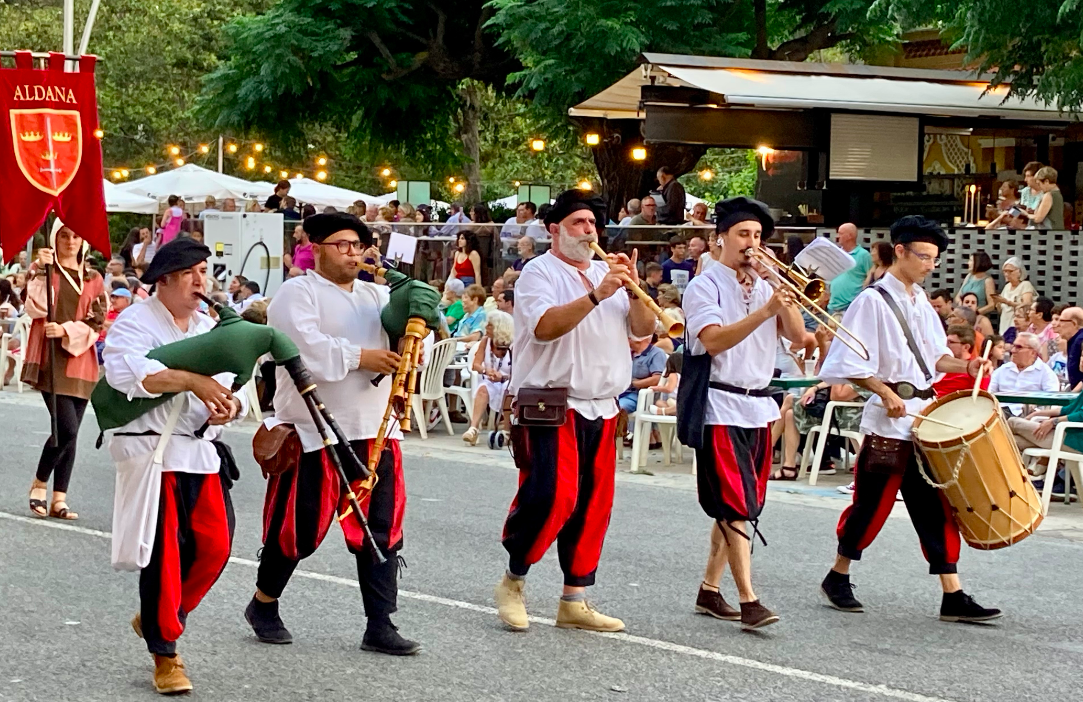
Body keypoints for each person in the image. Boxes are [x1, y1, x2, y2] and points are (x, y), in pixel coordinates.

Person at [244, 213, 419, 656]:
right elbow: (304, 352)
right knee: (297, 528)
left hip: (376, 429)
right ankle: (264, 603)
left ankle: (380, 624)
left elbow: (410, 330)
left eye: (358, 245)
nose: (352, 253)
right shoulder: (296, 292)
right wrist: (364, 357)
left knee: (381, 530)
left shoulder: (378, 294)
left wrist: (412, 308)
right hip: (312, 429)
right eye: (342, 245)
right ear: (316, 249)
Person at [817, 215, 1000, 623]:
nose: (929, 265)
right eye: (923, 256)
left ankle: (952, 592)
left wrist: (966, 367)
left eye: (935, 258)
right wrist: (883, 392)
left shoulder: (921, 301)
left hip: (923, 417)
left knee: (934, 503)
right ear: (899, 251)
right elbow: (849, 361)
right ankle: (838, 574)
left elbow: (936, 358)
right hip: (887, 417)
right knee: (872, 502)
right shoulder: (871, 301)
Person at [494, 189, 654, 634]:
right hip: (552, 402)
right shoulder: (537, 273)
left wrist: (636, 291)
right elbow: (545, 328)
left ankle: (575, 599)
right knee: (552, 496)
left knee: (593, 504)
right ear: (554, 230)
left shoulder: (609, 272)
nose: (589, 232)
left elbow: (642, 333)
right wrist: (598, 295)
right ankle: (514, 580)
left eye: (592, 224)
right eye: (579, 223)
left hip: (603, 404)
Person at [102, 238, 248, 693]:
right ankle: (166, 655)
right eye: (189, 272)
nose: (200, 281)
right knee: (163, 557)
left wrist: (230, 407)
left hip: (200, 450)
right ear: (163, 279)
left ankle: (159, 618)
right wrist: (192, 379)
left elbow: (238, 385)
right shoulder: (136, 321)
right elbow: (127, 373)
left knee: (215, 548)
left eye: (204, 271)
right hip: (153, 452)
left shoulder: (209, 325)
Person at [681, 196, 805, 630]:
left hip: (758, 406)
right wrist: (766, 311)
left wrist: (783, 299)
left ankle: (709, 590)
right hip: (719, 404)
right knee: (736, 505)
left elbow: (799, 337)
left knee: (743, 505)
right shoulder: (705, 286)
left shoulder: (767, 285)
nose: (751, 244)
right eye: (743, 235)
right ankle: (749, 599)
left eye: (757, 236)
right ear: (721, 239)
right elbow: (712, 340)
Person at [23, 220, 108, 521]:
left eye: (76, 236)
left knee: (72, 434)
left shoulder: (93, 277)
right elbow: (35, 307)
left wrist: (66, 330)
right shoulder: (46, 272)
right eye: (64, 236)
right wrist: (39, 270)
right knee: (66, 428)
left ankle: (60, 497)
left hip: (82, 361)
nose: (71, 242)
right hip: (51, 362)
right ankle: (39, 484)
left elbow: (98, 320)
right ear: (55, 240)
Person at [463, 311, 514, 445]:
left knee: (507, 390)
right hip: (490, 378)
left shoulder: (513, 344)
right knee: (483, 389)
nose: (486, 328)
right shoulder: (486, 341)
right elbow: (476, 365)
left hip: (508, 380)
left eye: (489, 326)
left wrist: (502, 376)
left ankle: (506, 431)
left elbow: (519, 371)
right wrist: (487, 370)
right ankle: (473, 428)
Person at [989, 332, 1060, 415]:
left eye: (1018, 347)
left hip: (1029, 417)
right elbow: (989, 394)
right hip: (1000, 414)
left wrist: (1035, 411)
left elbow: (1053, 403)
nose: (1013, 350)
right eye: (1013, 346)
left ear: (1033, 352)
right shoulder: (1002, 370)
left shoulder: (1046, 373)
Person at [826, 223, 872, 315]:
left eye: (840, 233)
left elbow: (871, 278)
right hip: (832, 306)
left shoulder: (864, 255)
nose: (837, 236)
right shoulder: (836, 253)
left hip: (851, 307)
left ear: (849, 236)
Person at [616, 334, 667, 416]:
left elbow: (657, 379)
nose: (627, 336)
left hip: (639, 396)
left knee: (616, 409)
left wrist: (633, 383)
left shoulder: (657, 353)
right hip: (618, 393)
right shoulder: (626, 353)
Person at [934, 325, 990, 396]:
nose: (945, 345)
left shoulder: (978, 367)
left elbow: (979, 397)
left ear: (966, 347)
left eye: (950, 342)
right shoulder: (939, 362)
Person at [991, 257, 1035, 336]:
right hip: (1005, 321)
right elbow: (1002, 309)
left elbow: (1027, 304)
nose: (1007, 274)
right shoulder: (1007, 287)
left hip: (1017, 322)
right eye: (1005, 271)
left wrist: (1007, 302)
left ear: (1019, 271)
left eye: (1010, 271)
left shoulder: (1025, 285)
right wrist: (998, 303)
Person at [955, 252, 997, 320]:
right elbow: (958, 296)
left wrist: (976, 313)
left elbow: (991, 305)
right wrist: (961, 305)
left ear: (978, 262)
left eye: (971, 260)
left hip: (978, 318)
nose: (968, 263)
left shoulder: (988, 280)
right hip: (963, 317)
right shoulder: (969, 276)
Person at [1059, 307, 1083, 390]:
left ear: (1074, 323)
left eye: (1061, 321)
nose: (1057, 324)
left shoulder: (1080, 340)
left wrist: (1073, 395)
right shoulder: (1074, 340)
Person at [1028, 297, 1058, 362]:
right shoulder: (1030, 328)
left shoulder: (1052, 331)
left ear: (1039, 315)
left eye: (1031, 310)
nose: (1028, 313)